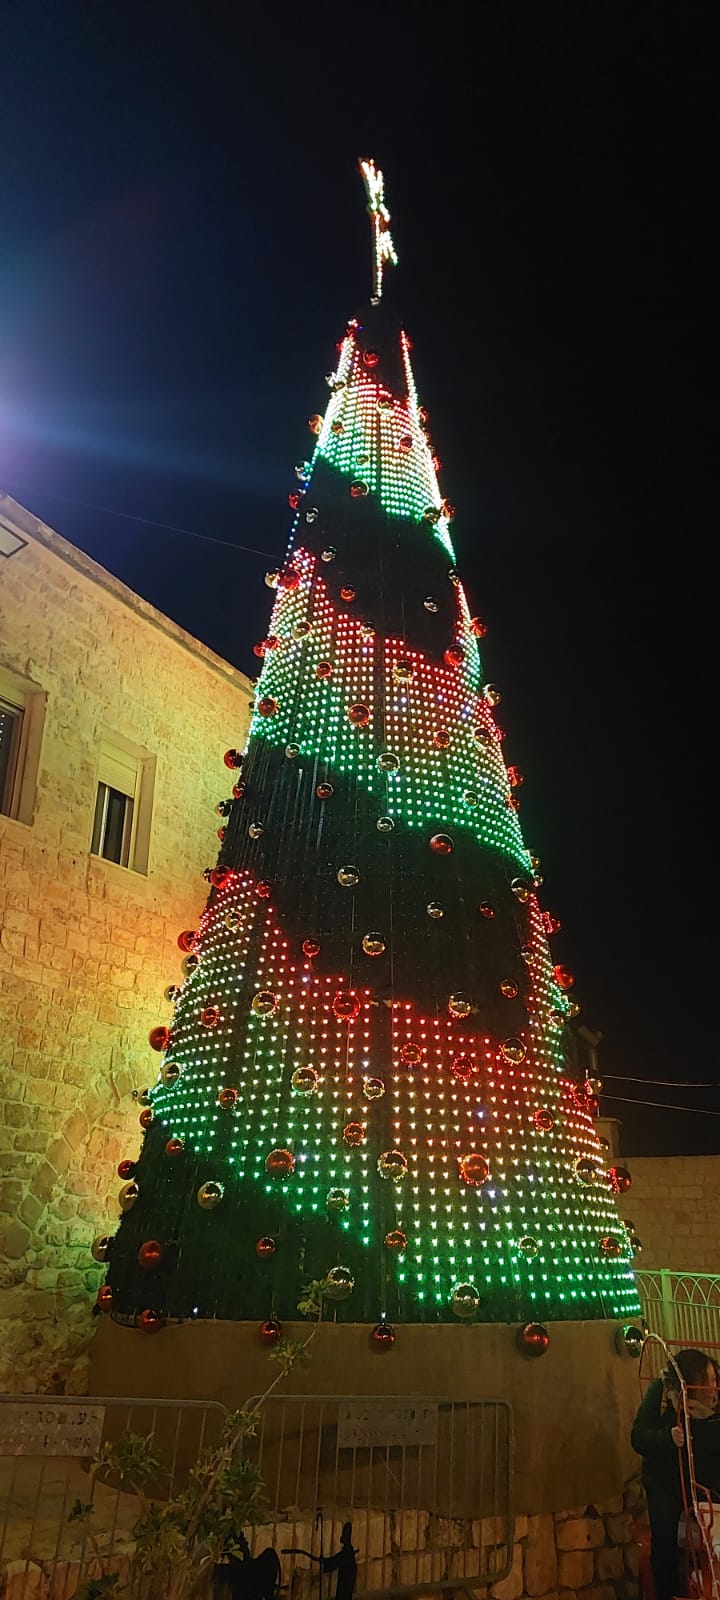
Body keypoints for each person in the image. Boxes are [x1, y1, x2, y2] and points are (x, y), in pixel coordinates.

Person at [631, 1347, 719, 1600]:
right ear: (692, 1382)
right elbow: (638, 1437)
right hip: (665, 1481)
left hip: (707, 1480)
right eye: (708, 1381)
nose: (714, 1387)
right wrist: (667, 1438)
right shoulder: (660, 1394)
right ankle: (667, 1592)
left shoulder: (715, 1405)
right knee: (665, 1539)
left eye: (715, 1380)